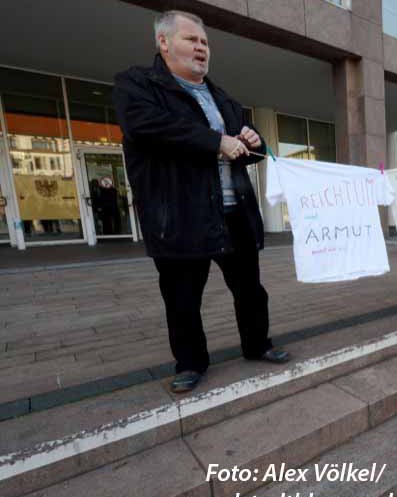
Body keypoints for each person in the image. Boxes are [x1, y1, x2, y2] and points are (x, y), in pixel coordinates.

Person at [113, 10, 289, 394]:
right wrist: (216, 142)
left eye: (205, 42)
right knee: (182, 297)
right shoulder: (138, 86)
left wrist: (254, 140)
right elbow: (148, 127)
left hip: (234, 212)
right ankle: (191, 362)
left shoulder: (222, 97)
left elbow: (247, 145)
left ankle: (257, 344)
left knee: (250, 289)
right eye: (191, 40)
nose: (201, 48)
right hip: (180, 214)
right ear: (164, 42)